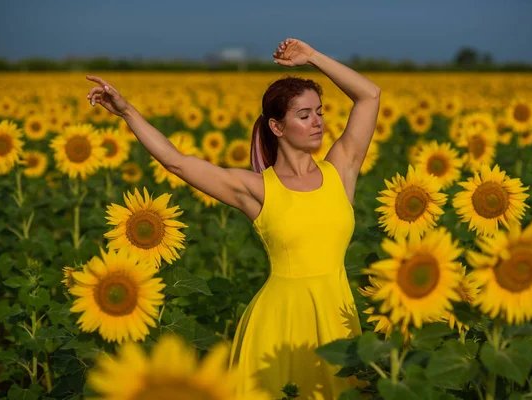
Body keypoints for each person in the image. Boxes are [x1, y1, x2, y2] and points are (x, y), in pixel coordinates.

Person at [86, 37, 381, 399]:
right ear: (277, 127)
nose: (317, 122)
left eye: (320, 112)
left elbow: (369, 96)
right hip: (277, 325)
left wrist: (312, 58)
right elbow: (177, 162)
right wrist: (127, 111)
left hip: (338, 319)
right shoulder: (256, 188)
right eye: (304, 116)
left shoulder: (341, 170)